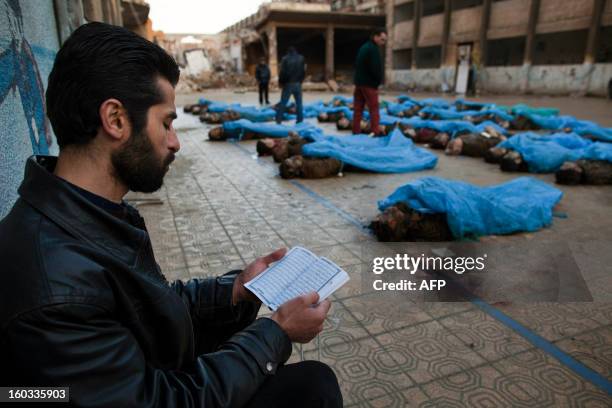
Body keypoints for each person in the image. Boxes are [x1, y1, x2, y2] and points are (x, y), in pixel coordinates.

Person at [0, 23, 342, 408]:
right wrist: (276, 333)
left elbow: (151, 309)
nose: (176, 141)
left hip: (143, 370)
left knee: (311, 384)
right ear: (115, 120)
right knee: (312, 389)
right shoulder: (56, 289)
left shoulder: (88, 213)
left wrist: (237, 290)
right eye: (166, 122)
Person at [353, 28, 387, 136]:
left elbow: (357, 65)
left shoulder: (363, 47)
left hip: (359, 84)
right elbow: (375, 68)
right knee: (374, 108)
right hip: (369, 84)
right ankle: (375, 131)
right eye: (382, 40)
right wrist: (378, 82)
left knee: (358, 109)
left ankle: (356, 131)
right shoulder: (373, 49)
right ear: (375, 37)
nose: (383, 43)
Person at [276, 46, 305, 124]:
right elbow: (303, 71)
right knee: (299, 103)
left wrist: (281, 83)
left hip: (288, 84)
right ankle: (300, 121)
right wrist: (300, 81)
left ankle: (278, 121)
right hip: (298, 83)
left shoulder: (285, 59)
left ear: (288, 52)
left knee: (283, 103)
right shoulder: (301, 58)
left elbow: (282, 73)